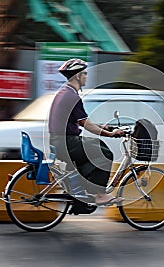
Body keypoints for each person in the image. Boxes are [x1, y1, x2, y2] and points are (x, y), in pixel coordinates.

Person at [48, 58, 124, 205]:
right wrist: (110, 134)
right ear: (77, 76)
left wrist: (106, 128)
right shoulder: (72, 96)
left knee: (95, 147)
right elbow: (85, 124)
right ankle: (100, 194)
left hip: (59, 140)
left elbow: (82, 121)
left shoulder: (64, 93)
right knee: (105, 153)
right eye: (84, 74)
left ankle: (80, 190)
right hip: (67, 142)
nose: (86, 77)